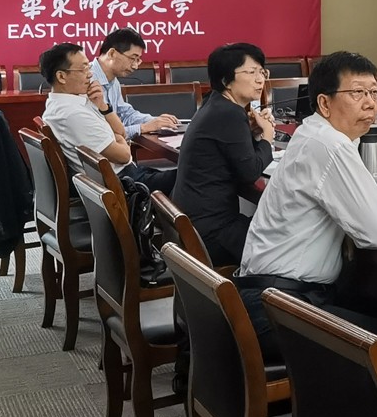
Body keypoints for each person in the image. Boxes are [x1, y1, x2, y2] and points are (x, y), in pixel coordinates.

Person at [235, 50, 377, 360]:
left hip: (270, 296)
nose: (370, 103)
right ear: (325, 103)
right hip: (279, 309)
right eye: (357, 93)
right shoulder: (329, 144)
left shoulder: (314, 133)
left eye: (374, 92)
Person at [172, 43, 275, 268]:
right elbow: (250, 172)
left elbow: (235, 157)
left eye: (262, 72)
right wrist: (267, 137)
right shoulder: (229, 113)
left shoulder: (216, 104)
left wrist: (253, 134)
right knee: (286, 240)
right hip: (213, 234)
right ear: (226, 80)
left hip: (197, 223)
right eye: (251, 72)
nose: (260, 80)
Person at [39, 42, 176, 193]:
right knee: (191, 176)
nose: (90, 74)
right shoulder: (72, 114)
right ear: (61, 76)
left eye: (88, 67)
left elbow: (121, 132)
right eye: (83, 69)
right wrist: (120, 139)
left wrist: (103, 106)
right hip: (123, 186)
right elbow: (124, 155)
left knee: (185, 174)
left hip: (126, 175)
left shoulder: (73, 101)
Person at [89, 28, 179, 134]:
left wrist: (155, 121)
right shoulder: (86, 80)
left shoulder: (113, 81)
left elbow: (125, 115)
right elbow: (99, 134)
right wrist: (142, 128)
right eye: (132, 58)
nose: (135, 66)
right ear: (112, 53)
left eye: (138, 60)